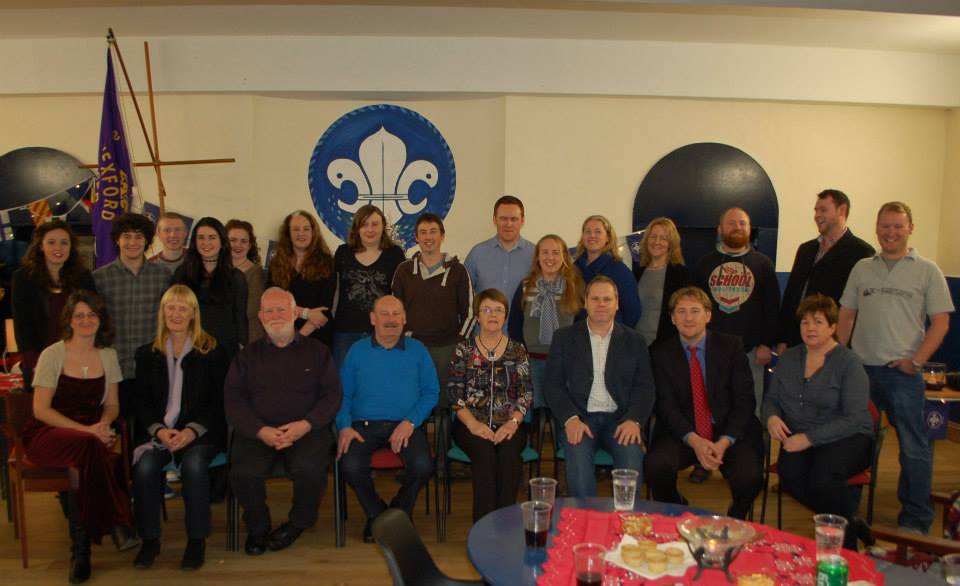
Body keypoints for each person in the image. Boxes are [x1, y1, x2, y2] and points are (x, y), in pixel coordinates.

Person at [838, 201, 954, 534]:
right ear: (877, 228)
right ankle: (847, 514)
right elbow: (846, 314)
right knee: (855, 445)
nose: (890, 232)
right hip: (862, 373)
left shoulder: (928, 270)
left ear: (910, 229)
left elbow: (941, 323)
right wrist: (842, 358)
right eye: (885, 226)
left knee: (915, 450)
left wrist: (916, 361)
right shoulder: (862, 268)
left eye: (898, 226)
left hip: (904, 375)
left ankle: (915, 520)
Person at [23, 291, 137, 583]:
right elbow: (40, 410)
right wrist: (89, 431)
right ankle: (117, 521)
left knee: (84, 458)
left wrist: (104, 424)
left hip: (91, 435)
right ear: (69, 320)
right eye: (79, 315)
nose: (86, 320)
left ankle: (81, 551)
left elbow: (112, 405)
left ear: (101, 319)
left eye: (92, 315)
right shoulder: (52, 354)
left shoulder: (108, 355)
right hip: (49, 431)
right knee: (92, 448)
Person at [224, 287, 342, 555]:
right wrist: (260, 430)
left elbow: (332, 395)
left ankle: (297, 524)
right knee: (243, 473)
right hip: (258, 432)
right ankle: (258, 526)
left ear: (294, 313)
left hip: (306, 431)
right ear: (260, 317)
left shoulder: (318, 352)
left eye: (281, 309)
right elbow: (233, 401)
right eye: (269, 311)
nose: (276, 315)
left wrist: (305, 425)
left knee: (311, 471)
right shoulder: (247, 356)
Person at [762, 294, 874, 549]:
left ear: (833, 327)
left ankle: (847, 549)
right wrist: (771, 417)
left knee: (824, 476)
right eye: (805, 322)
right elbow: (771, 400)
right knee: (789, 476)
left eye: (818, 322)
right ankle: (851, 522)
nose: (810, 328)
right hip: (800, 436)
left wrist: (809, 439)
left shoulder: (848, 362)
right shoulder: (789, 358)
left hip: (849, 437)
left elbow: (855, 417)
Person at [132, 285, 230, 571]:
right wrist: (160, 431)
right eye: (170, 308)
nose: (176, 314)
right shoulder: (147, 354)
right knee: (145, 468)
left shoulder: (211, 351)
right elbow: (142, 402)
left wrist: (191, 431)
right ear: (163, 312)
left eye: (182, 308)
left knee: (194, 466)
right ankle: (149, 540)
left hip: (201, 433)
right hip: (160, 434)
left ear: (193, 314)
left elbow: (219, 401)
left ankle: (196, 541)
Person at [645, 286, 764, 520]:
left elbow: (745, 401)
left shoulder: (731, 347)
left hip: (728, 433)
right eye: (681, 311)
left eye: (695, 311)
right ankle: (678, 509)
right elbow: (666, 407)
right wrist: (695, 441)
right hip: (684, 432)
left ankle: (736, 516)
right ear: (673, 318)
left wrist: (724, 442)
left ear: (708, 315)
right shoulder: (660, 353)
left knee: (751, 477)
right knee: (655, 466)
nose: (688, 318)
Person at [337, 295, 438, 542]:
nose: (391, 320)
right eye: (384, 314)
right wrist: (344, 426)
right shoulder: (357, 351)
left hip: (406, 425)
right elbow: (342, 394)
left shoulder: (418, 350)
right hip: (363, 426)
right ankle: (377, 514)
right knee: (350, 466)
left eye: (396, 314)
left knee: (423, 466)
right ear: (373, 319)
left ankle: (399, 512)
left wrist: (410, 422)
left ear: (404, 318)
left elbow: (431, 392)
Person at [543, 276, 654, 497]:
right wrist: (570, 419)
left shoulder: (635, 340)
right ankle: (586, 515)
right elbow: (552, 384)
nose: (601, 304)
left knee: (631, 461)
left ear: (617, 303)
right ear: (585, 302)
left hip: (620, 420)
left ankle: (626, 516)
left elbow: (645, 387)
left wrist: (634, 420)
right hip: (581, 419)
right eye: (595, 299)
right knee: (578, 464)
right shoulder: (564, 338)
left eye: (607, 299)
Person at [448, 288, 533, 521]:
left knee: (509, 456)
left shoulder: (517, 350)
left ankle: (504, 521)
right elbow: (454, 395)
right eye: (486, 310)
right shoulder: (464, 350)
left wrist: (513, 422)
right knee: (484, 455)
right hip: (470, 424)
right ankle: (484, 526)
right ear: (477, 316)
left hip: (509, 423)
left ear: (505, 317)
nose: (492, 315)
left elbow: (526, 393)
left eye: (498, 310)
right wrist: (474, 425)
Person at [692, 207, 780, 412]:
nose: (737, 227)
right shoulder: (705, 264)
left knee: (749, 407)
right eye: (731, 223)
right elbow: (694, 306)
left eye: (742, 223)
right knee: (712, 407)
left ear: (750, 228)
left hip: (751, 352)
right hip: (710, 350)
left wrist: (767, 344)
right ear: (719, 228)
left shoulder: (763, 264)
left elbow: (772, 307)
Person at [93, 213, 172, 416]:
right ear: (117, 240)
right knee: (116, 426)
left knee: (150, 426)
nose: (132, 242)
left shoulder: (163, 275)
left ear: (147, 240)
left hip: (152, 368)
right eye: (126, 236)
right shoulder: (100, 278)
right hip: (114, 369)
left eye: (138, 236)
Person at [392, 213, 473, 408]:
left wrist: (458, 341)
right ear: (416, 237)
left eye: (433, 231)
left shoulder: (458, 271)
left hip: (446, 347)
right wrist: (402, 337)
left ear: (442, 236)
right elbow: (394, 310)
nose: (428, 237)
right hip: (413, 345)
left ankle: (443, 428)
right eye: (423, 232)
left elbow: (470, 312)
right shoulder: (404, 270)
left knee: (444, 400)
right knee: (412, 395)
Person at [777, 190, 875, 351]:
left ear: (842, 210)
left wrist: (842, 347)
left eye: (823, 210)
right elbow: (791, 296)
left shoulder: (861, 253)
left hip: (833, 344)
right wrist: (782, 339)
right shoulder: (806, 249)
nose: (817, 215)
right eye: (816, 210)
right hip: (797, 341)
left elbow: (862, 308)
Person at [12, 219, 96, 389]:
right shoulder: (23, 278)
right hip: (39, 360)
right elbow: (22, 325)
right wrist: (34, 363)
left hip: (77, 360)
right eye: (51, 242)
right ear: (40, 246)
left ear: (71, 247)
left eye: (64, 242)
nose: (58, 248)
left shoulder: (83, 277)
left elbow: (93, 318)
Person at [508, 234, 583, 409]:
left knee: (563, 409)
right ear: (538, 257)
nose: (550, 258)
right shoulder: (526, 286)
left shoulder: (575, 286)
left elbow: (583, 325)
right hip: (533, 361)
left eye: (556, 253)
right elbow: (515, 325)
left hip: (565, 362)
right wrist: (523, 356)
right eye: (545, 252)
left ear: (564, 256)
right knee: (535, 409)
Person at [332, 204, 406, 365]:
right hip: (346, 331)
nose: (370, 229)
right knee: (344, 378)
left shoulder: (395, 254)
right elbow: (334, 290)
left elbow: (401, 294)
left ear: (383, 226)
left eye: (375, 224)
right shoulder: (343, 252)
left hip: (382, 330)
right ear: (357, 228)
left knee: (379, 376)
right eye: (364, 225)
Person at [172, 217, 248, 359]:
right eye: (201, 237)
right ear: (194, 241)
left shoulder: (236, 278)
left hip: (224, 348)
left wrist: (242, 348)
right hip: (189, 346)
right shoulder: (182, 273)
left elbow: (240, 317)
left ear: (222, 241)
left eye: (212, 237)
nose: (206, 243)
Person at [266, 210, 336, 348]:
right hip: (282, 336)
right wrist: (307, 313)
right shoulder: (276, 263)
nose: (301, 233)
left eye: (306, 229)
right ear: (288, 233)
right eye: (296, 229)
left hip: (317, 336)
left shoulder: (326, 262)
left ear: (313, 232)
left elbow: (323, 311)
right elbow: (272, 304)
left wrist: (297, 339)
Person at [574, 215, 642, 327]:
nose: (592, 235)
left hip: (610, 333)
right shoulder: (574, 269)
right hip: (579, 332)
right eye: (588, 231)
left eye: (598, 232)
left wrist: (616, 333)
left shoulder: (620, 271)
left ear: (608, 238)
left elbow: (632, 312)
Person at [632, 217, 690, 347]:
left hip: (664, 345)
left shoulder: (681, 275)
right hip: (636, 343)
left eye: (663, 238)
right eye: (653, 236)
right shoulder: (637, 273)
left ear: (671, 243)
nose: (657, 242)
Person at [464, 195, 534, 299]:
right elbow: (463, 294)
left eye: (514, 219)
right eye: (503, 219)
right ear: (494, 219)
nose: (508, 224)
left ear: (522, 220)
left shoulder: (535, 254)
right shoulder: (477, 254)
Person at [226, 219, 266, 343]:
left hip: (249, 337)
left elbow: (251, 310)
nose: (238, 245)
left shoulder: (256, 273)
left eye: (243, 241)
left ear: (249, 245)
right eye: (233, 240)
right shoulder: (215, 268)